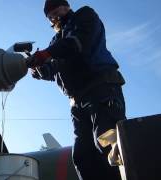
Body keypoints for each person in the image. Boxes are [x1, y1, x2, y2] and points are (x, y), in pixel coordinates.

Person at [28, 0, 126, 180]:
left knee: (108, 142)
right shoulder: (56, 41)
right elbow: (54, 69)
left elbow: (78, 43)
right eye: (50, 15)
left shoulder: (85, 16)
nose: (53, 16)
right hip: (77, 103)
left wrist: (46, 54)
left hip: (100, 91)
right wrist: (39, 70)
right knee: (82, 156)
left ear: (67, 6)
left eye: (56, 9)